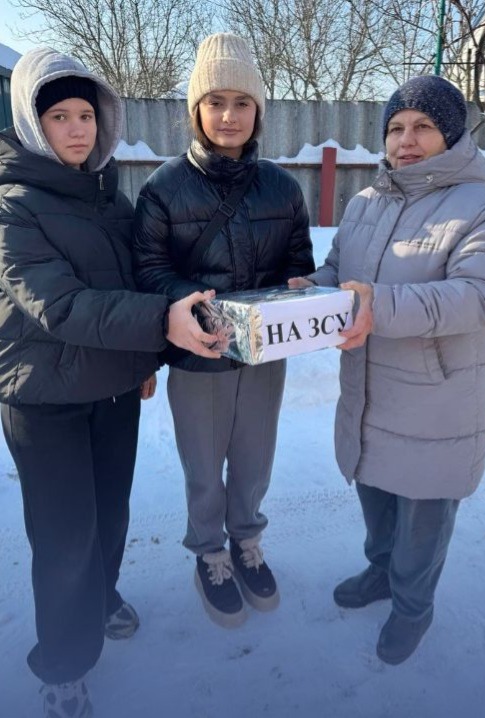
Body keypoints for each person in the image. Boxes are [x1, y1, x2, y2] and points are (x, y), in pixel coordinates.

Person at [0, 47, 219, 718]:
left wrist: (145, 360)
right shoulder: (12, 206)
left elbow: (136, 281)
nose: (77, 129)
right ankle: (64, 666)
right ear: (31, 122)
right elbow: (61, 306)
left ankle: (101, 597)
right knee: (65, 537)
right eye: (59, 116)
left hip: (113, 393)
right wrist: (161, 324)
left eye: (86, 115)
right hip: (44, 401)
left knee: (110, 517)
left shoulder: (108, 198)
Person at [289, 75, 485, 665]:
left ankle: (413, 607)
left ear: (452, 135)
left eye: (423, 127)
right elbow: (340, 271)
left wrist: (376, 306)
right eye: (395, 128)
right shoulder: (366, 202)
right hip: (370, 387)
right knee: (376, 494)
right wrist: (309, 292)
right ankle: (380, 572)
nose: (405, 140)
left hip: (437, 397)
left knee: (423, 518)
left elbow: (479, 295)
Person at [134, 33, 315, 628]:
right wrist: (190, 307)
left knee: (255, 458)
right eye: (215, 101)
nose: (229, 115)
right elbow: (150, 269)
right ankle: (210, 553)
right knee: (204, 464)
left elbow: (299, 262)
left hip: (264, 354)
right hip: (199, 354)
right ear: (196, 109)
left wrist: (296, 291)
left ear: (258, 110)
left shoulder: (283, 188)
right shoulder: (163, 187)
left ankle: (247, 541)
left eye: (242, 102)